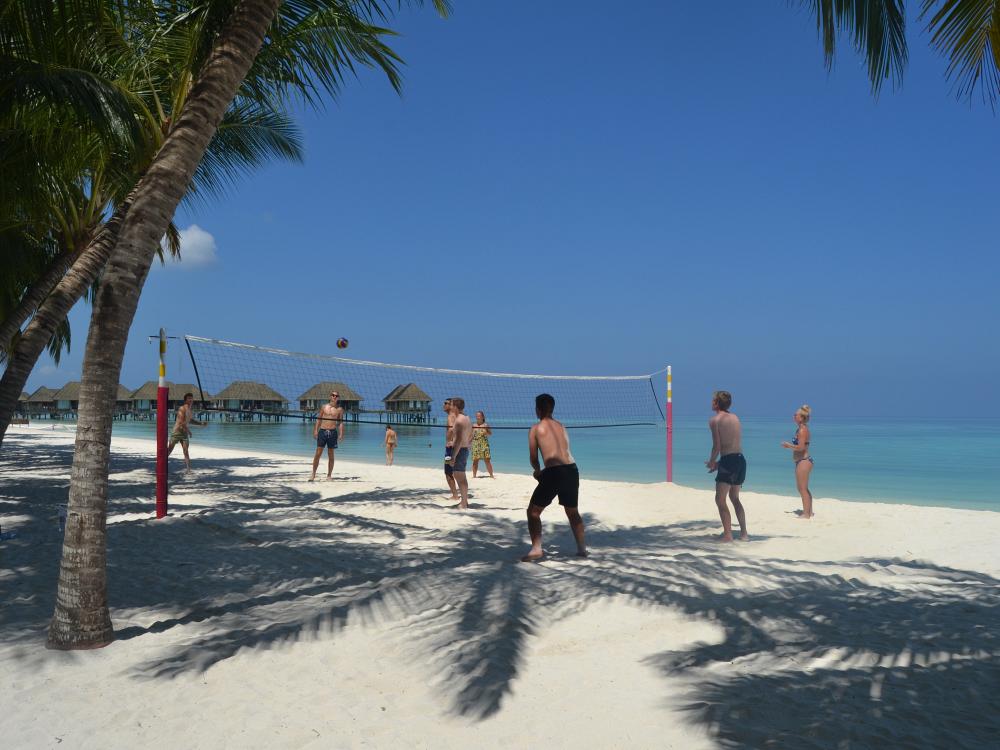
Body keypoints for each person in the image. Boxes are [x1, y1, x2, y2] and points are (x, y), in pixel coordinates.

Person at [521, 393, 586, 561]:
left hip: (554, 472)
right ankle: (582, 549)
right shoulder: (562, 426)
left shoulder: (535, 428)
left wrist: (537, 471)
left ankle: (536, 549)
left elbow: (534, 457)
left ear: (538, 409)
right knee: (572, 512)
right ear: (552, 408)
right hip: (572, 470)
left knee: (533, 512)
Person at [706, 390, 748, 542]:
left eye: (713, 400)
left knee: (720, 499)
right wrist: (719, 463)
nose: (711, 402)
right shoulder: (735, 417)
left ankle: (728, 534)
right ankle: (744, 534)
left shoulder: (715, 420)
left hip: (729, 461)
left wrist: (712, 461)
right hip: (740, 460)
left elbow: (717, 446)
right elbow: (732, 445)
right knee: (735, 498)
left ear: (717, 403)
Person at [781, 404, 814, 518]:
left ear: (802, 417)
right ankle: (808, 512)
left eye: (796, 415)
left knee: (802, 488)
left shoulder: (802, 430)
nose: (794, 416)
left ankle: (806, 514)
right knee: (803, 488)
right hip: (802, 461)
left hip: (804, 461)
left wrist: (788, 445)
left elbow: (801, 447)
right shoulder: (800, 429)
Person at [167, 392, 206, 472]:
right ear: (185, 400)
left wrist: (200, 423)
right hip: (177, 432)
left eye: (191, 398)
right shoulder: (182, 408)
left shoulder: (190, 410)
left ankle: (188, 470)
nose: (191, 400)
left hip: (184, 433)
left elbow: (190, 420)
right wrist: (189, 431)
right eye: (189, 398)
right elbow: (181, 422)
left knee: (186, 451)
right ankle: (161, 465)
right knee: (169, 450)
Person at [310, 390, 344, 481]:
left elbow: (340, 422)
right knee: (318, 454)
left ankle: (329, 475)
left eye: (336, 396)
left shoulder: (339, 409)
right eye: (333, 395)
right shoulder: (324, 407)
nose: (334, 397)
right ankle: (313, 474)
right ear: (330, 397)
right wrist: (315, 431)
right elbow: (318, 420)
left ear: (338, 398)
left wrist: (341, 434)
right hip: (323, 431)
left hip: (333, 433)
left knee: (331, 455)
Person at [447, 398, 473, 509]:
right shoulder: (467, 418)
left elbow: (458, 441)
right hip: (465, 449)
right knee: (462, 477)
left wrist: (453, 456)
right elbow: (471, 435)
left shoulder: (458, 421)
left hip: (460, 450)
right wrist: (468, 445)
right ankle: (464, 501)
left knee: (460, 477)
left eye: (451, 405)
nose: (450, 407)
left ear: (456, 407)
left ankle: (463, 503)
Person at [442, 398, 459, 500]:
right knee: (456, 472)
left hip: (450, 448)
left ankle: (455, 495)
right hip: (454, 447)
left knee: (448, 472)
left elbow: (453, 430)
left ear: (452, 405)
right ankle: (457, 494)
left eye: (446, 403)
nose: (443, 405)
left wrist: (451, 442)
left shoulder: (451, 417)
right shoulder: (456, 416)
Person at [471, 410, 495, 478]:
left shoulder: (485, 425)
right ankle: (474, 476)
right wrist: (469, 443)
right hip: (475, 443)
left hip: (484, 443)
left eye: (479, 416)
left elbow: (490, 433)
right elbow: (471, 435)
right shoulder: (473, 425)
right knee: (475, 460)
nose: (477, 417)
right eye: (477, 416)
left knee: (487, 460)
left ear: (482, 417)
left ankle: (491, 475)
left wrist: (486, 433)